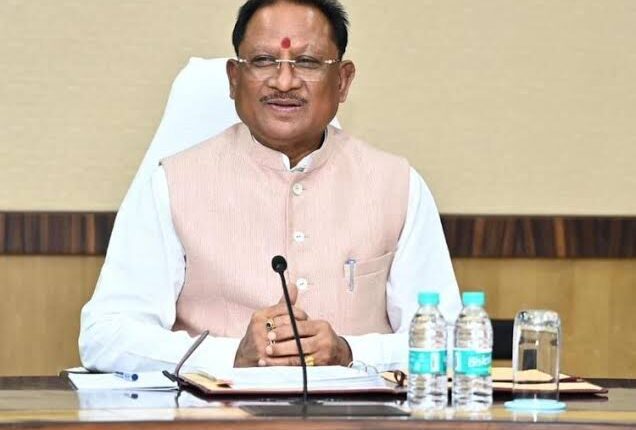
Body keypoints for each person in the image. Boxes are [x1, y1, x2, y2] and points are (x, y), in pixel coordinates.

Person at [79, 0, 461, 373]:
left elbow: (449, 339)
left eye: (307, 62)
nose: (284, 82)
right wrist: (230, 357)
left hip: (359, 410)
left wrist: (350, 351)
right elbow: (105, 335)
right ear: (234, 78)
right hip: (215, 410)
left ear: (342, 81)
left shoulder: (397, 185)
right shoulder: (172, 184)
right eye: (263, 61)